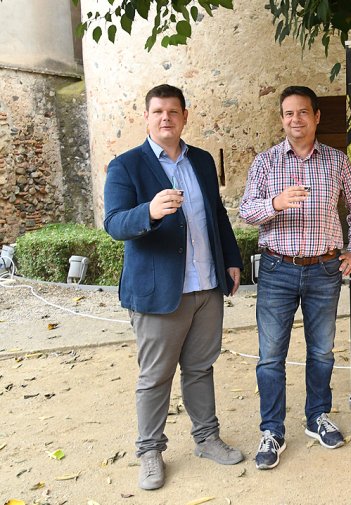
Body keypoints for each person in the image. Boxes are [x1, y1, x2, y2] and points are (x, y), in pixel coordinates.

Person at [104, 84, 244, 491]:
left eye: (173, 111)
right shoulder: (126, 166)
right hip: (158, 293)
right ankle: (150, 451)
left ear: (185, 116)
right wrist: (147, 211)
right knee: (155, 376)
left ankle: (206, 439)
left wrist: (231, 260)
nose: (166, 118)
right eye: (158, 112)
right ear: (146, 118)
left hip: (206, 285)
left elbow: (216, 215)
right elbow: (113, 223)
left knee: (200, 368)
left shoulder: (200, 160)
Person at [239, 85, 351, 470]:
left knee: (322, 351)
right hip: (277, 268)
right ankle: (272, 431)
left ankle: (317, 417)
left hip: (325, 270)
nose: (294, 120)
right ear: (282, 119)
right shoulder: (265, 163)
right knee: (270, 356)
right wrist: (275, 203)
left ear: (316, 117)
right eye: (287, 114)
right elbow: (246, 210)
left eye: (301, 113)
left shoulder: (336, 162)